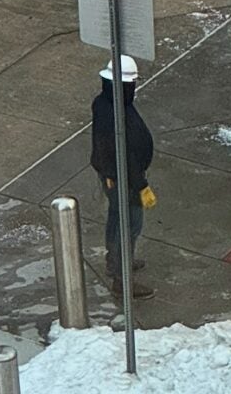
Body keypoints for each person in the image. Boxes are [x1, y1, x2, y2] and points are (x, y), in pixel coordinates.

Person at [90, 54, 157, 300]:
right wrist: (141, 185)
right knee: (129, 225)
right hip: (122, 178)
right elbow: (123, 154)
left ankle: (115, 261)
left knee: (117, 217)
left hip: (115, 175)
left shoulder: (106, 103)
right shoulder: (113, 113)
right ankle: (122, 279)